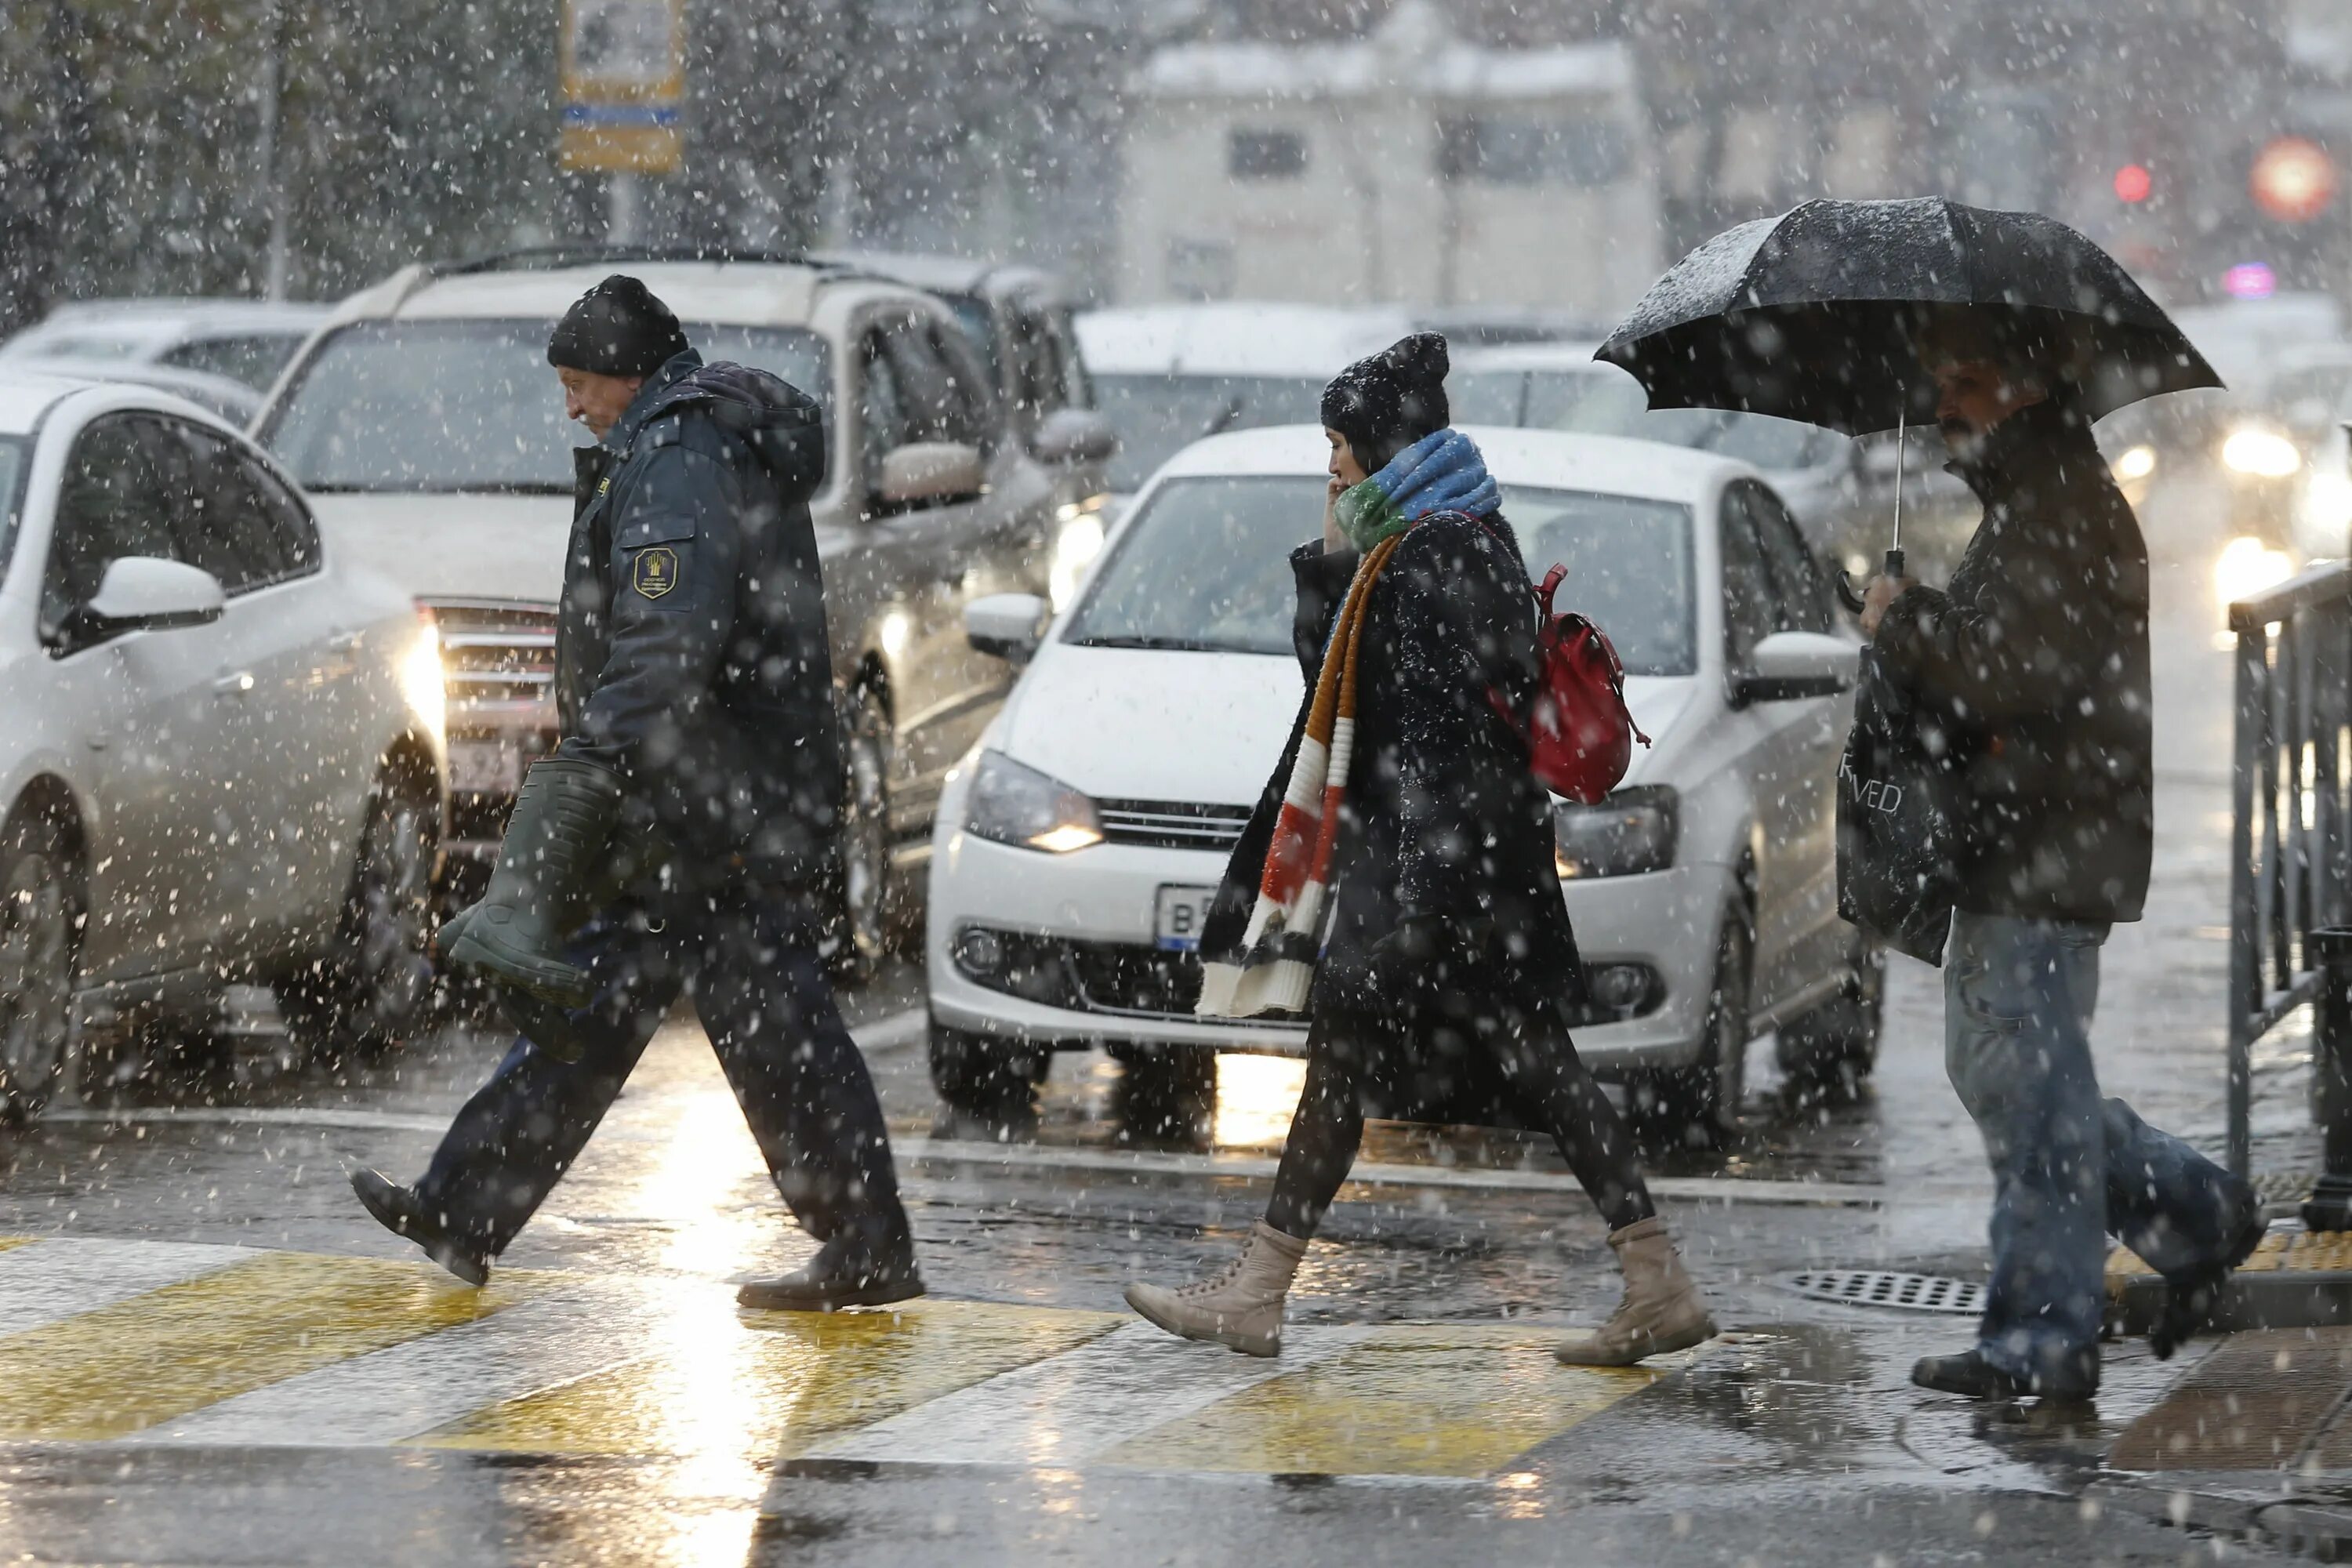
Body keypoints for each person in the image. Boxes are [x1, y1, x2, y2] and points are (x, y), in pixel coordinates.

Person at [1123, 333, 1713, 1363]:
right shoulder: (1432, 539)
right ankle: (1652, 1278)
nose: (1332, 464)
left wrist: (1423, 903)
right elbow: (1350, 688)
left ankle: (1264, 1291)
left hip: (1440, 882)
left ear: (1385, 444)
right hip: (1455, 875)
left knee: (1436, 1072)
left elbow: (1448, 744)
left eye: (1341, 445)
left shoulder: (1439, 555)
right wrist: (1332, 557)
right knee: (1478, 1070)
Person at [350, 275, 920, 1311]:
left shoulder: (676, 456)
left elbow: (666, 643)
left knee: (769, 1028)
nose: (572, 406)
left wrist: (587, 767)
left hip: (720, 805)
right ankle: (464, 1210)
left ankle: (868, 1244)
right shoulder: (685, 441)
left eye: (578, 385)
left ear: (623, 373)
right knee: (599, 1002)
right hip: (702, 796)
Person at [1860, 314, 2263, 1400]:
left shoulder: (2058, 513)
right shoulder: (2043, 506)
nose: (1946, 400)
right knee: (2021, 1081)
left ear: (2028, 392)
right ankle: (2197, 1213)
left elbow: (2008, 677)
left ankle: (2041, 1335)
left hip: (2037, 842)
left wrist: (1903, 625)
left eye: (1968, 379)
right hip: (2038, 838)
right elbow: (2013, 660)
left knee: (2027, 1092)